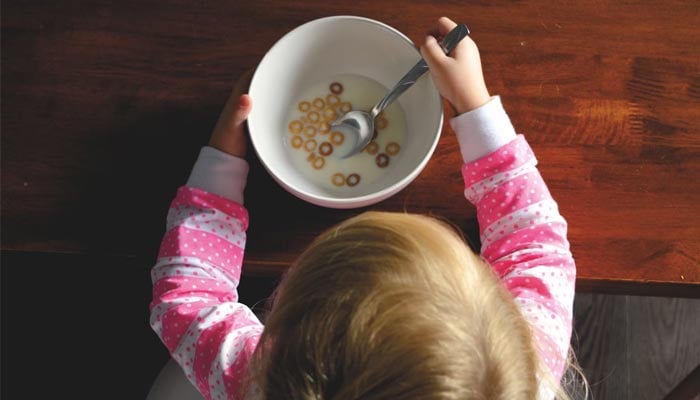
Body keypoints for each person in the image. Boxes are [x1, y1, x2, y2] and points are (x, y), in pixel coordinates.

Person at [149, 16, 585, 400]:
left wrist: (222, 159)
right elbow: (534, 245)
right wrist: (474, 104)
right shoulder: (526, 371)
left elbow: (189, 298)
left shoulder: (255, 379)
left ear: (287, 334)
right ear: (502, 316)